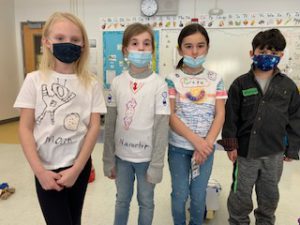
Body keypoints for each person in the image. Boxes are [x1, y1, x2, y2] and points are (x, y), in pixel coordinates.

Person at [14, 12, 107, 225]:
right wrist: (40, 172)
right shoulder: (34, 80)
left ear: (83, 44)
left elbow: (94, 128)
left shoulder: (91, 84)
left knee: (74, 219)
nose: (68, 43)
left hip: (79, 167)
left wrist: (77, 169)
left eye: (75, 39)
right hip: (46, 169)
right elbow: (25, 128)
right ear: (47, 42)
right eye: (60, 38)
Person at [218, 28, 300, 225]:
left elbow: (295, 118)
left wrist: (293, 148)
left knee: (269, 195)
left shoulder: (288, 86)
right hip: (245, 153)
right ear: (252, 53)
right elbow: (231, 118)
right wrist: (231, 144)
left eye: (273, 53)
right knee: (240, 195)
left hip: (274, 153)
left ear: (281, 55)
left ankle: (265, 221)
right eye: (262, 52)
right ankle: (238, 221)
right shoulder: (240, 84)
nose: (267, 57)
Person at [102, 22, 170, 225]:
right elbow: (111, 124)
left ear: (152, 50)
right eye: (135, 43)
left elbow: (161, 128)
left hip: (147, 160)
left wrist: (157, 165)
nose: (141, 48)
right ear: (125, 50)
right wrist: (108, 159)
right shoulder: (116, 83)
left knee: (146, 202)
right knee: (122, 201)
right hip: (121, 159)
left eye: (146, 43)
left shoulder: (159, 85)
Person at [165, 23, 227, 225]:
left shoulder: (215, 79)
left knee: (199, 194)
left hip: (207, 150)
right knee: (180, 194)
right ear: (179, 49)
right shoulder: (172, 79)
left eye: (200, 46)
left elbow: (220, 113)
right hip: (179, 148)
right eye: (188, 46)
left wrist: (206, 143)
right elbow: (171, 115)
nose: (194, 51)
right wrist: (196, 142)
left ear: (207, 48)